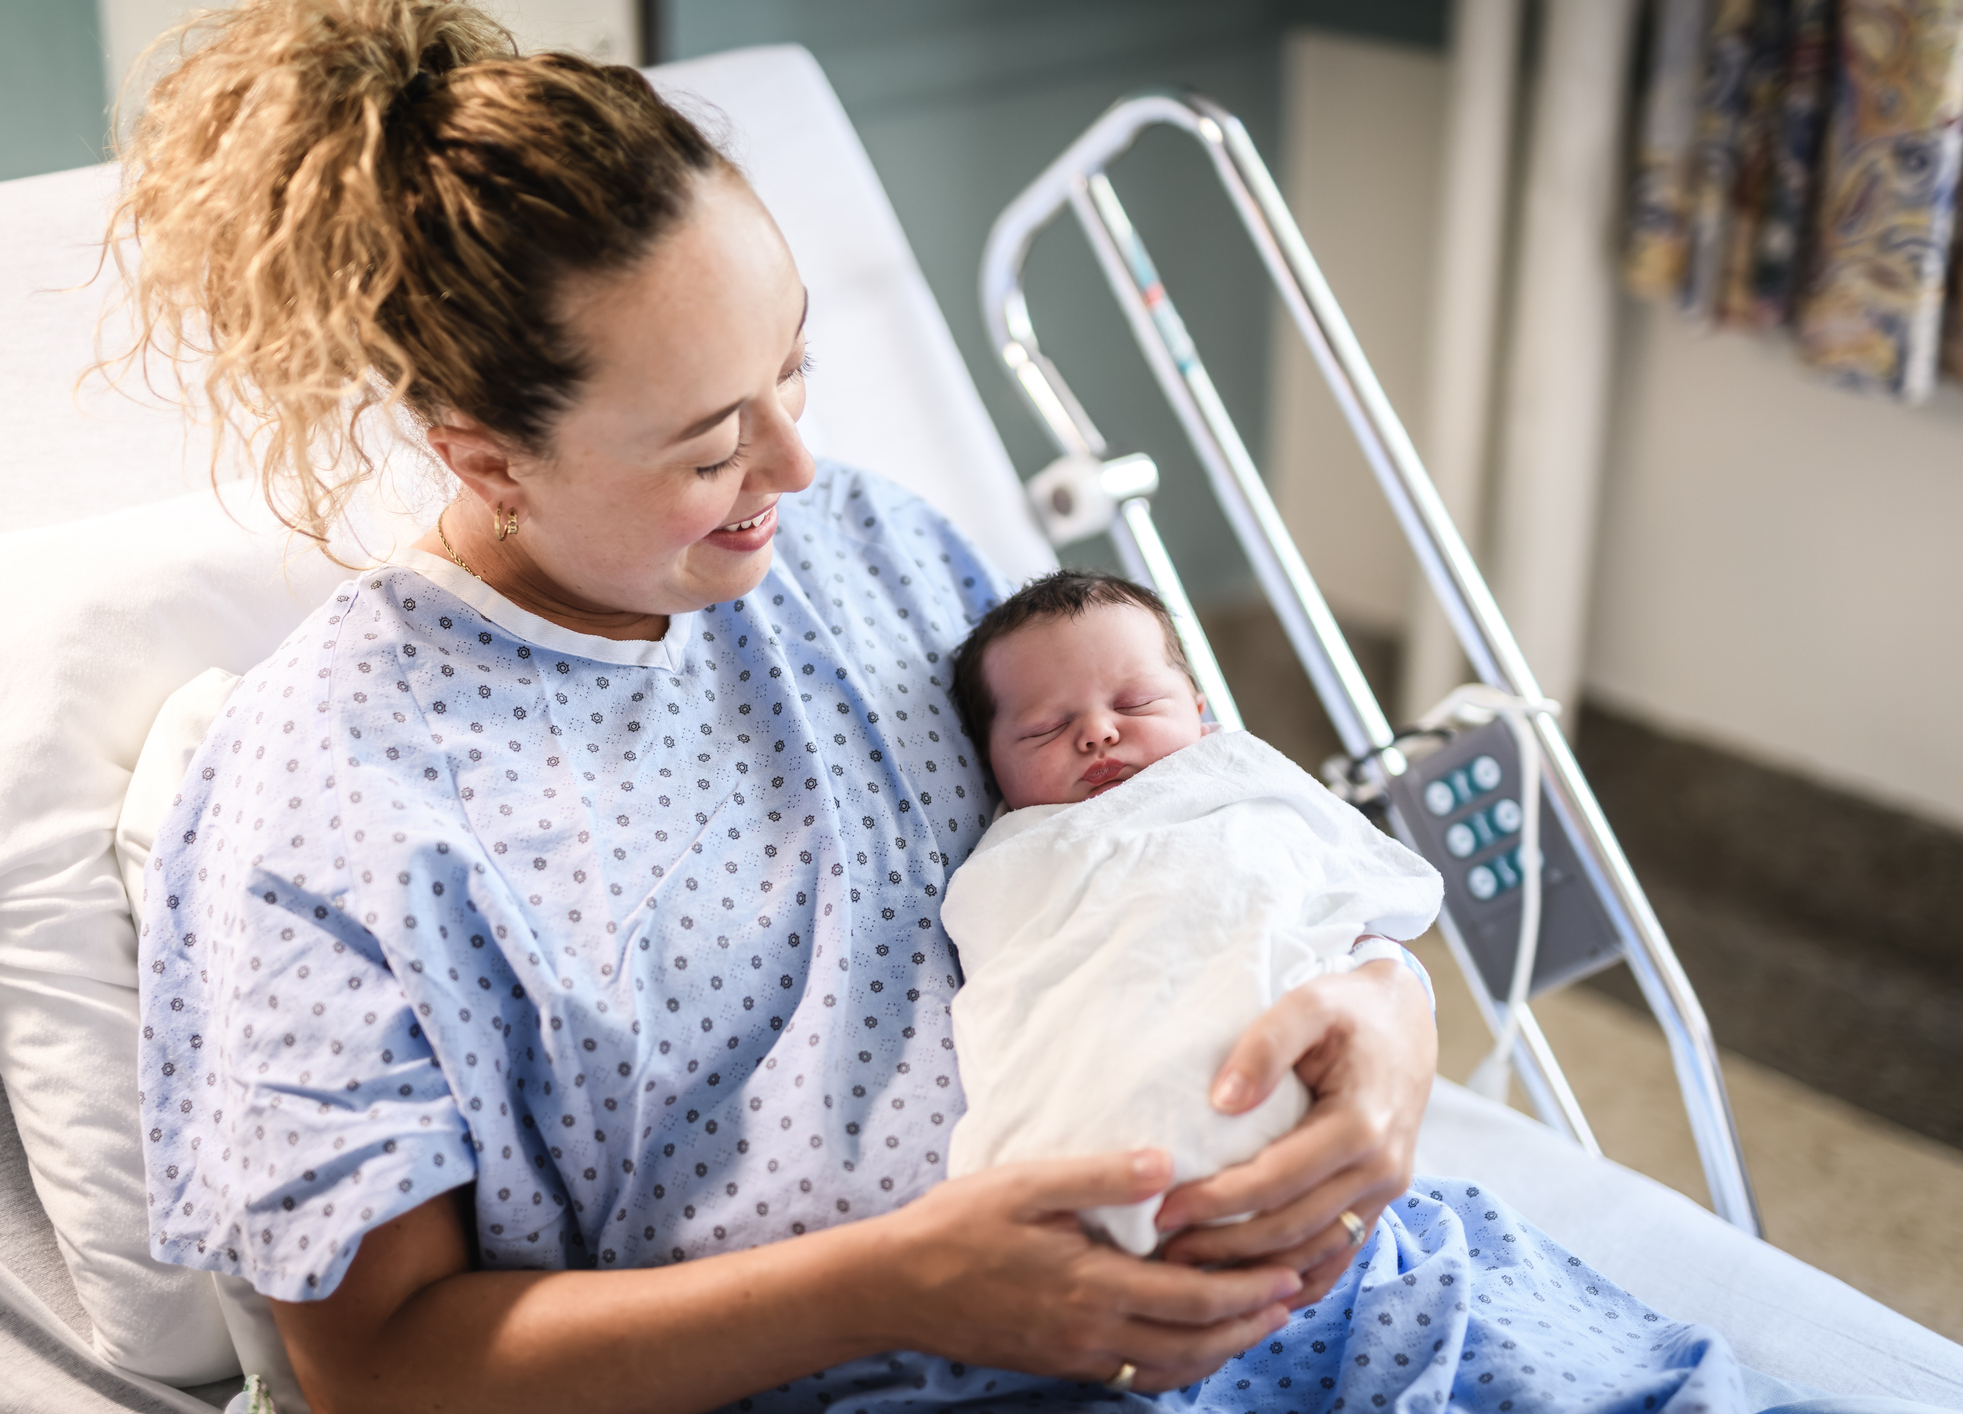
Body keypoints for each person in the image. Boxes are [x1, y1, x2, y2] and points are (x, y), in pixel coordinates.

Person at [121, 4, 1860, 1412]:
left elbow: (1168, 843)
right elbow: (377, 1367)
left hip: (1326, 1313)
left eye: (791, 360)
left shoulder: (875, 547)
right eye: (712, 440)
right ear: (479, 454)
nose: (796, 465)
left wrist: (1381, 1011)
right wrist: (893, 1282)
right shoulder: (329, 791)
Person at [938, 571, 1446, 1257]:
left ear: (1200, 713)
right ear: (991, 766)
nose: (1096, 733)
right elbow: (1009, 976)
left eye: (1136, 702)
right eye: (1044, 729)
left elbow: (1365, 892)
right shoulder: (1011, 857)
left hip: (1276, 1077)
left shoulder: (1239, 785)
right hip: (1104, 1109)